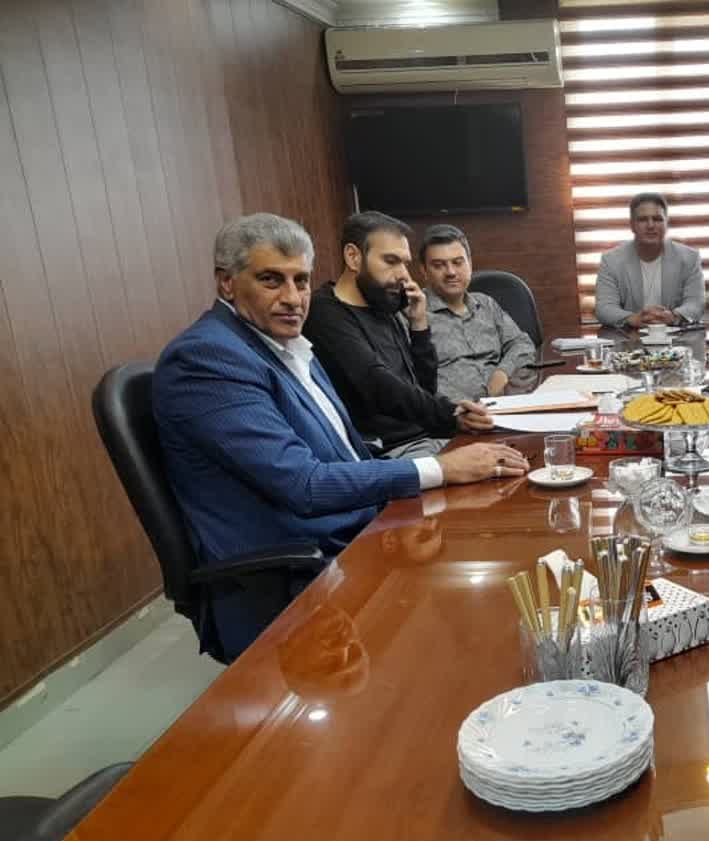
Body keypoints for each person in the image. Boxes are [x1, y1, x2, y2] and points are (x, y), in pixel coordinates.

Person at [154, 213, 529, 661]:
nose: (293, 298)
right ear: (227, 283)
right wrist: (438, 469)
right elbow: (303, 485)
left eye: (301, 281)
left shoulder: (286, 345)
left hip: (355, 535)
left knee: (498, 580)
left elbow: (348, 452)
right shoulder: (209, 359)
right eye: (271, 280)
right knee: (472, 628)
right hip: (301, 571)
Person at [305, 211, 486, 459]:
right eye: (391, 261)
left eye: (405, 263)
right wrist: (451, 414)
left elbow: (425, 388)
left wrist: (419, 325)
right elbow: (377, 385)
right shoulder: (324, 311)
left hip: (427, 438)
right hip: (390, 453)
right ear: (353, 256)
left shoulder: (383, 305)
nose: (403, 274)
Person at [418, 223, 537, 401]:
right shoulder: (413, 316)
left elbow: (521, 343)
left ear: (470, 264)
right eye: (439, 265)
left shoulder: (486, 304)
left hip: (507, 403)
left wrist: (502, 373)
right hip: (455, 413)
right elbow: (413, 379)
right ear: (424, 271)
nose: (451, 272)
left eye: (458, 262)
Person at [594, 192, 705, 328]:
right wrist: (632, 318)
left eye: (657, 219)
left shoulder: (689, 258)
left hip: (676, 336)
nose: (650, 225)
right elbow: (604, 308)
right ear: (632, 225)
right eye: (642, 219)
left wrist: (673, 316)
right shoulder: (611, 260)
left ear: (666, 224)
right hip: (630, 337)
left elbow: (696, 304)